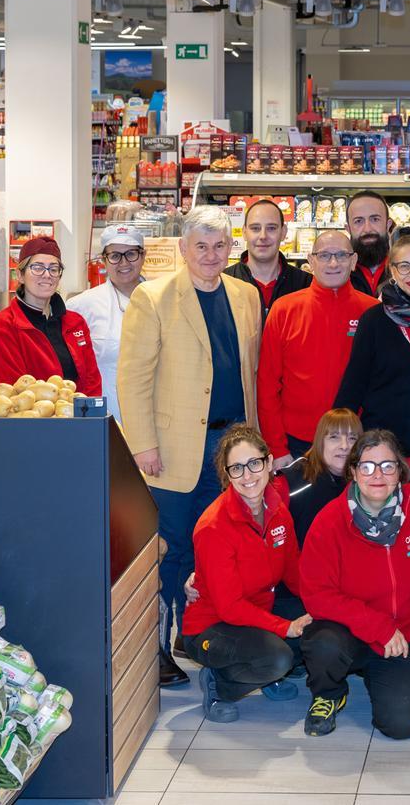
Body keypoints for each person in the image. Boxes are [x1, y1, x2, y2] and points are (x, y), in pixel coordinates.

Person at [119, 205, 263, 686]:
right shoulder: (153, 297)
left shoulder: (245, 296)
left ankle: (195, 637)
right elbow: (133, 378)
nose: (211, 255)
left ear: (231, 248)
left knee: (218, 549)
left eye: (220, 245)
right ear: (183, 248)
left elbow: (252, 374)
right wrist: (142, 444)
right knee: (173, 548)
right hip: (175, 449)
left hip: (232, 449)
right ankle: (156, 648)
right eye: (201, 246)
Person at [298, 431, 410, 739]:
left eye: (387, 466)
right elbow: (316, 595)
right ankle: (329, 693)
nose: (377, 475)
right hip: (350, 631)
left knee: (400, 725)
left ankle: (382, 679)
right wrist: (378, 627)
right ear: (353, 471)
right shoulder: (330, 521)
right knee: (323, 644)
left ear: (400, 471)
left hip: (403, 635)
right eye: (366, 467)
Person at [182, 425, 309, 723]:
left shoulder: (277, 509)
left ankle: (264, 673)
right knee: (279, 657)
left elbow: (295, 574)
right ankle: (220, 685)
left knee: (319, 626)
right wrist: (284, 627)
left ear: (269, 462)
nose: (248, 475)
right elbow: (229, 607)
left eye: (254, 463)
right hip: (212, 626)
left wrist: (329, 605)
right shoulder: (213, 527)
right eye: (237, 468)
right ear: (226, 475)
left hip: (256, 612)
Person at [335, 234, 410, 481]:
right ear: (393, 270)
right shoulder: (373, 321)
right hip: (381, 455)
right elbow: (354, 385)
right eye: (404, 266)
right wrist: (337, 439)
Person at [258, 230, 377, 467]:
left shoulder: (372, 312)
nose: (333, 263)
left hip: (356, 441)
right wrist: (277, 448)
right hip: (297, 444)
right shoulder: (284, 310)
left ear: (353, 261)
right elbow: (267, 384)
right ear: (310, 262)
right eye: (324, 255)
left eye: (341, 255)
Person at [0, 236, 102, 397]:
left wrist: (89, 416)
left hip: (78, 418)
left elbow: (91, 379)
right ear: (20, 275)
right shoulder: (5, 325)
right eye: (37, 267)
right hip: (33, 420)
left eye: (54, 269)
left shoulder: (76, 322)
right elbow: (13, 391)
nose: (47, 275)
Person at [66, 225, 145, 421]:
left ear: (143, 256)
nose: (123, 262)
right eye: (115, 255)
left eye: (131, 254)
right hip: (107, 416)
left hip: (155, 417)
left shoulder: (165, 300)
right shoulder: (82, 305)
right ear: (104, 260)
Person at [274, 408, 361, 545]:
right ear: (320, 441)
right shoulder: (291, 482)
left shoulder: (364, 482)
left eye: (352, 438)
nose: (344, 446)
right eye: (334, 437)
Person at [224, 198, 312, 320]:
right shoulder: (224, 282)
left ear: (283, 232)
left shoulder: (306, 284)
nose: (263, 236)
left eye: (271, 228)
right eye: (255, 228)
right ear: (244, 232)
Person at [346, 190, 393, 297]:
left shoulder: (405, 270)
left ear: (388, 225)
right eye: (358, 221)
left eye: (375, 219)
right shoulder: (338, 274)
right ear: (348, 228)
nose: (367, 229)